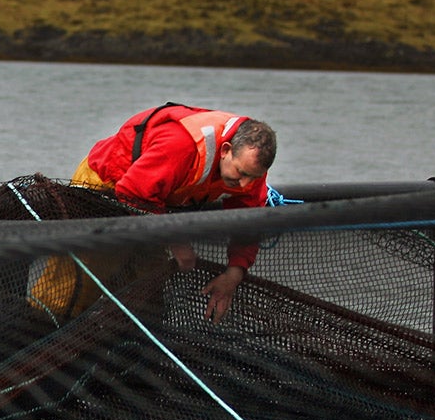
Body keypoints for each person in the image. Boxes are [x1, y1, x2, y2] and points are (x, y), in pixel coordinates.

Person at [33, 103, 278, 324]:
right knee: (82, 272)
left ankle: (121, 340)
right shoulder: (181, 145)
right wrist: (177, 242)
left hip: (156, 206)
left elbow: (247, 224)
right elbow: (132, 191)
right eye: (240, 173)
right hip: (104, 188)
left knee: (147, 278)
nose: (246, 184)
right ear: (225, 150)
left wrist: (233, 275)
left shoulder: (252, 164)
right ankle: (39, 325)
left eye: (253, 177)